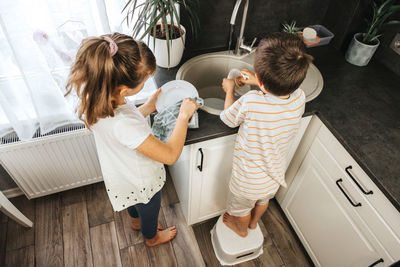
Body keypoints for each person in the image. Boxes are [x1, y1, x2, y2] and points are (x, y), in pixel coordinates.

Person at [65, 33, 198, 246]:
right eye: (145, 80)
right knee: (150, 210)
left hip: (121, 174)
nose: (146, 83)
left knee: (134, 204)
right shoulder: (124, 123)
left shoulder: (97, 99)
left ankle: (135, 222)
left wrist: (147, 107)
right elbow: (171, 155)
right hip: (142, 180)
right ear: (124, 89)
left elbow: (122, 129)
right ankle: (151, 237)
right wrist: (183, 116)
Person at [220, 32, 313, 237]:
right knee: (263, 201)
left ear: (261, 81)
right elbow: (277, 100)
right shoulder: (299, 96)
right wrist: (258, 82)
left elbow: (228, 118)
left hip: (247, 180)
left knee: (240, 210)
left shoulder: (252, 101)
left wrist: (229, 90)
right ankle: (254, 224)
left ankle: (242, 229)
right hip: (274, 174)